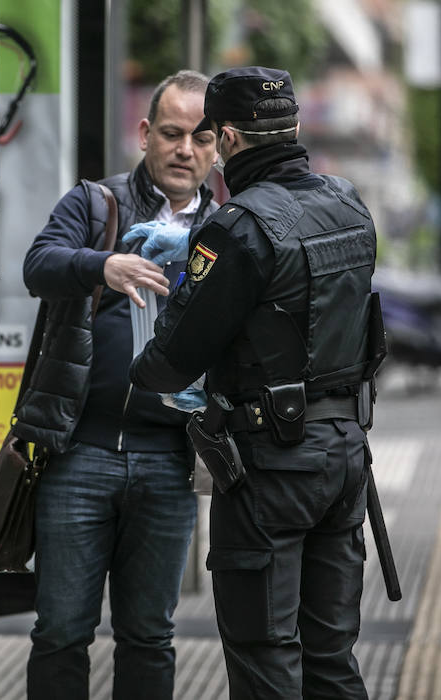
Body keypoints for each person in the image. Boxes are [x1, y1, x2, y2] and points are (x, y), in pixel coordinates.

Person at [130, 66, 378, 700]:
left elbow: (172, 360)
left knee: (266, 656)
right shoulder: (348, 202)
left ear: (231, 138)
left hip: (271, 468)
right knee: (331, 655)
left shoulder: (237, 227)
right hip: (347, 455)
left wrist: (172, 305)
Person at [13, 70, 219, 700]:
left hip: (169, 460)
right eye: (172, 133)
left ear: (219, 146)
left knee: (150, 633)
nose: (186, 149)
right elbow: (38, 265)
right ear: (144, 134)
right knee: (61, 631)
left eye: (202, 137)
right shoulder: (98, 204)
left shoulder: (233, 225)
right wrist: (103, 263)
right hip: (80, 453)